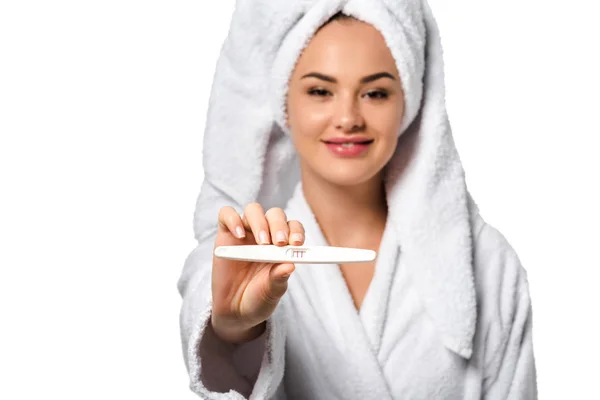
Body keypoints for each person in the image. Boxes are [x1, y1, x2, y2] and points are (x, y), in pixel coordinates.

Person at [177, 2, 537, 399]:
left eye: (376, 92)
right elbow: (213, 333)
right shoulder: (239, 256)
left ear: (409, 103)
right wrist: (233, 327)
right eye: (320, 91)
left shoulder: (488, 265)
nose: (348, 117)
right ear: (283, 103)